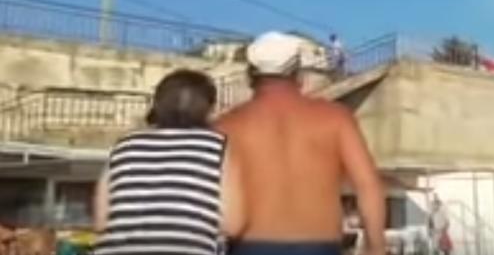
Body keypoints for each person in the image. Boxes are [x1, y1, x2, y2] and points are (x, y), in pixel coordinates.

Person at [215, 31, 386, 255]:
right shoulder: (335, 118)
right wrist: (376, 248)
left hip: (249, 247)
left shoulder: (227, 126)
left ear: (250, 76)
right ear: (298, 74)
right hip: (320, 246)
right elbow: (368, 186)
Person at [92, 69, 246, 255]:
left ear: (157, 104)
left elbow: (101, 222)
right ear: (209, 108)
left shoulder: (125, 145)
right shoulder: (218, 146)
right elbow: (233, 224)